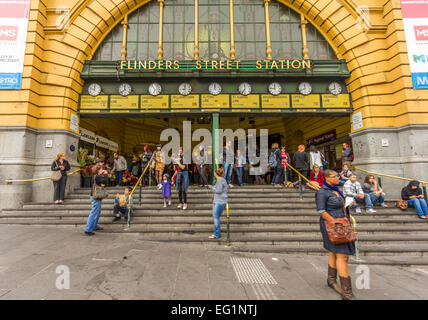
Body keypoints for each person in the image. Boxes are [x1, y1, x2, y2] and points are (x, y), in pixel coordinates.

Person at [316, 169, 356, 300]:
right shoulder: (322, 192)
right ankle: (347, 291)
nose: (338, 178)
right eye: (335, 177)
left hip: (342, 223)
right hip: (333, 226)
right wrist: (336, 224)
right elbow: (322, 211)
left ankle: (331, 279)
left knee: (334, 252)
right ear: (327, 178)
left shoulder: (336, 190)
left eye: (338, 176)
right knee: (342, 255)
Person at [84, 165, 109, 236]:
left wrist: (104, 182)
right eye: (101, 169)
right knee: (94, 212)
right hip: (95, 196)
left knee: (97, 212)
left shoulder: (97, 176)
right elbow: (106, 181)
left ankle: (94, 226)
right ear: (98, 170)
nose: (103, 170)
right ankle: (88, 229)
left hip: (97, 196)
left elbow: (105, 184)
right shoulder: (97, 177)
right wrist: (106, 175)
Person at [208, 168, 228, 239]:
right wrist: (212, 187)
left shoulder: (220, 180)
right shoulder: (222, 180)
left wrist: (211, 188)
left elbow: (219, 191)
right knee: (216, 217)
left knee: (216, 217)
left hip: (219, 202)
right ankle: (217, 232)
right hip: (219, 201)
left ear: (216, 173)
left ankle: (216, 234)